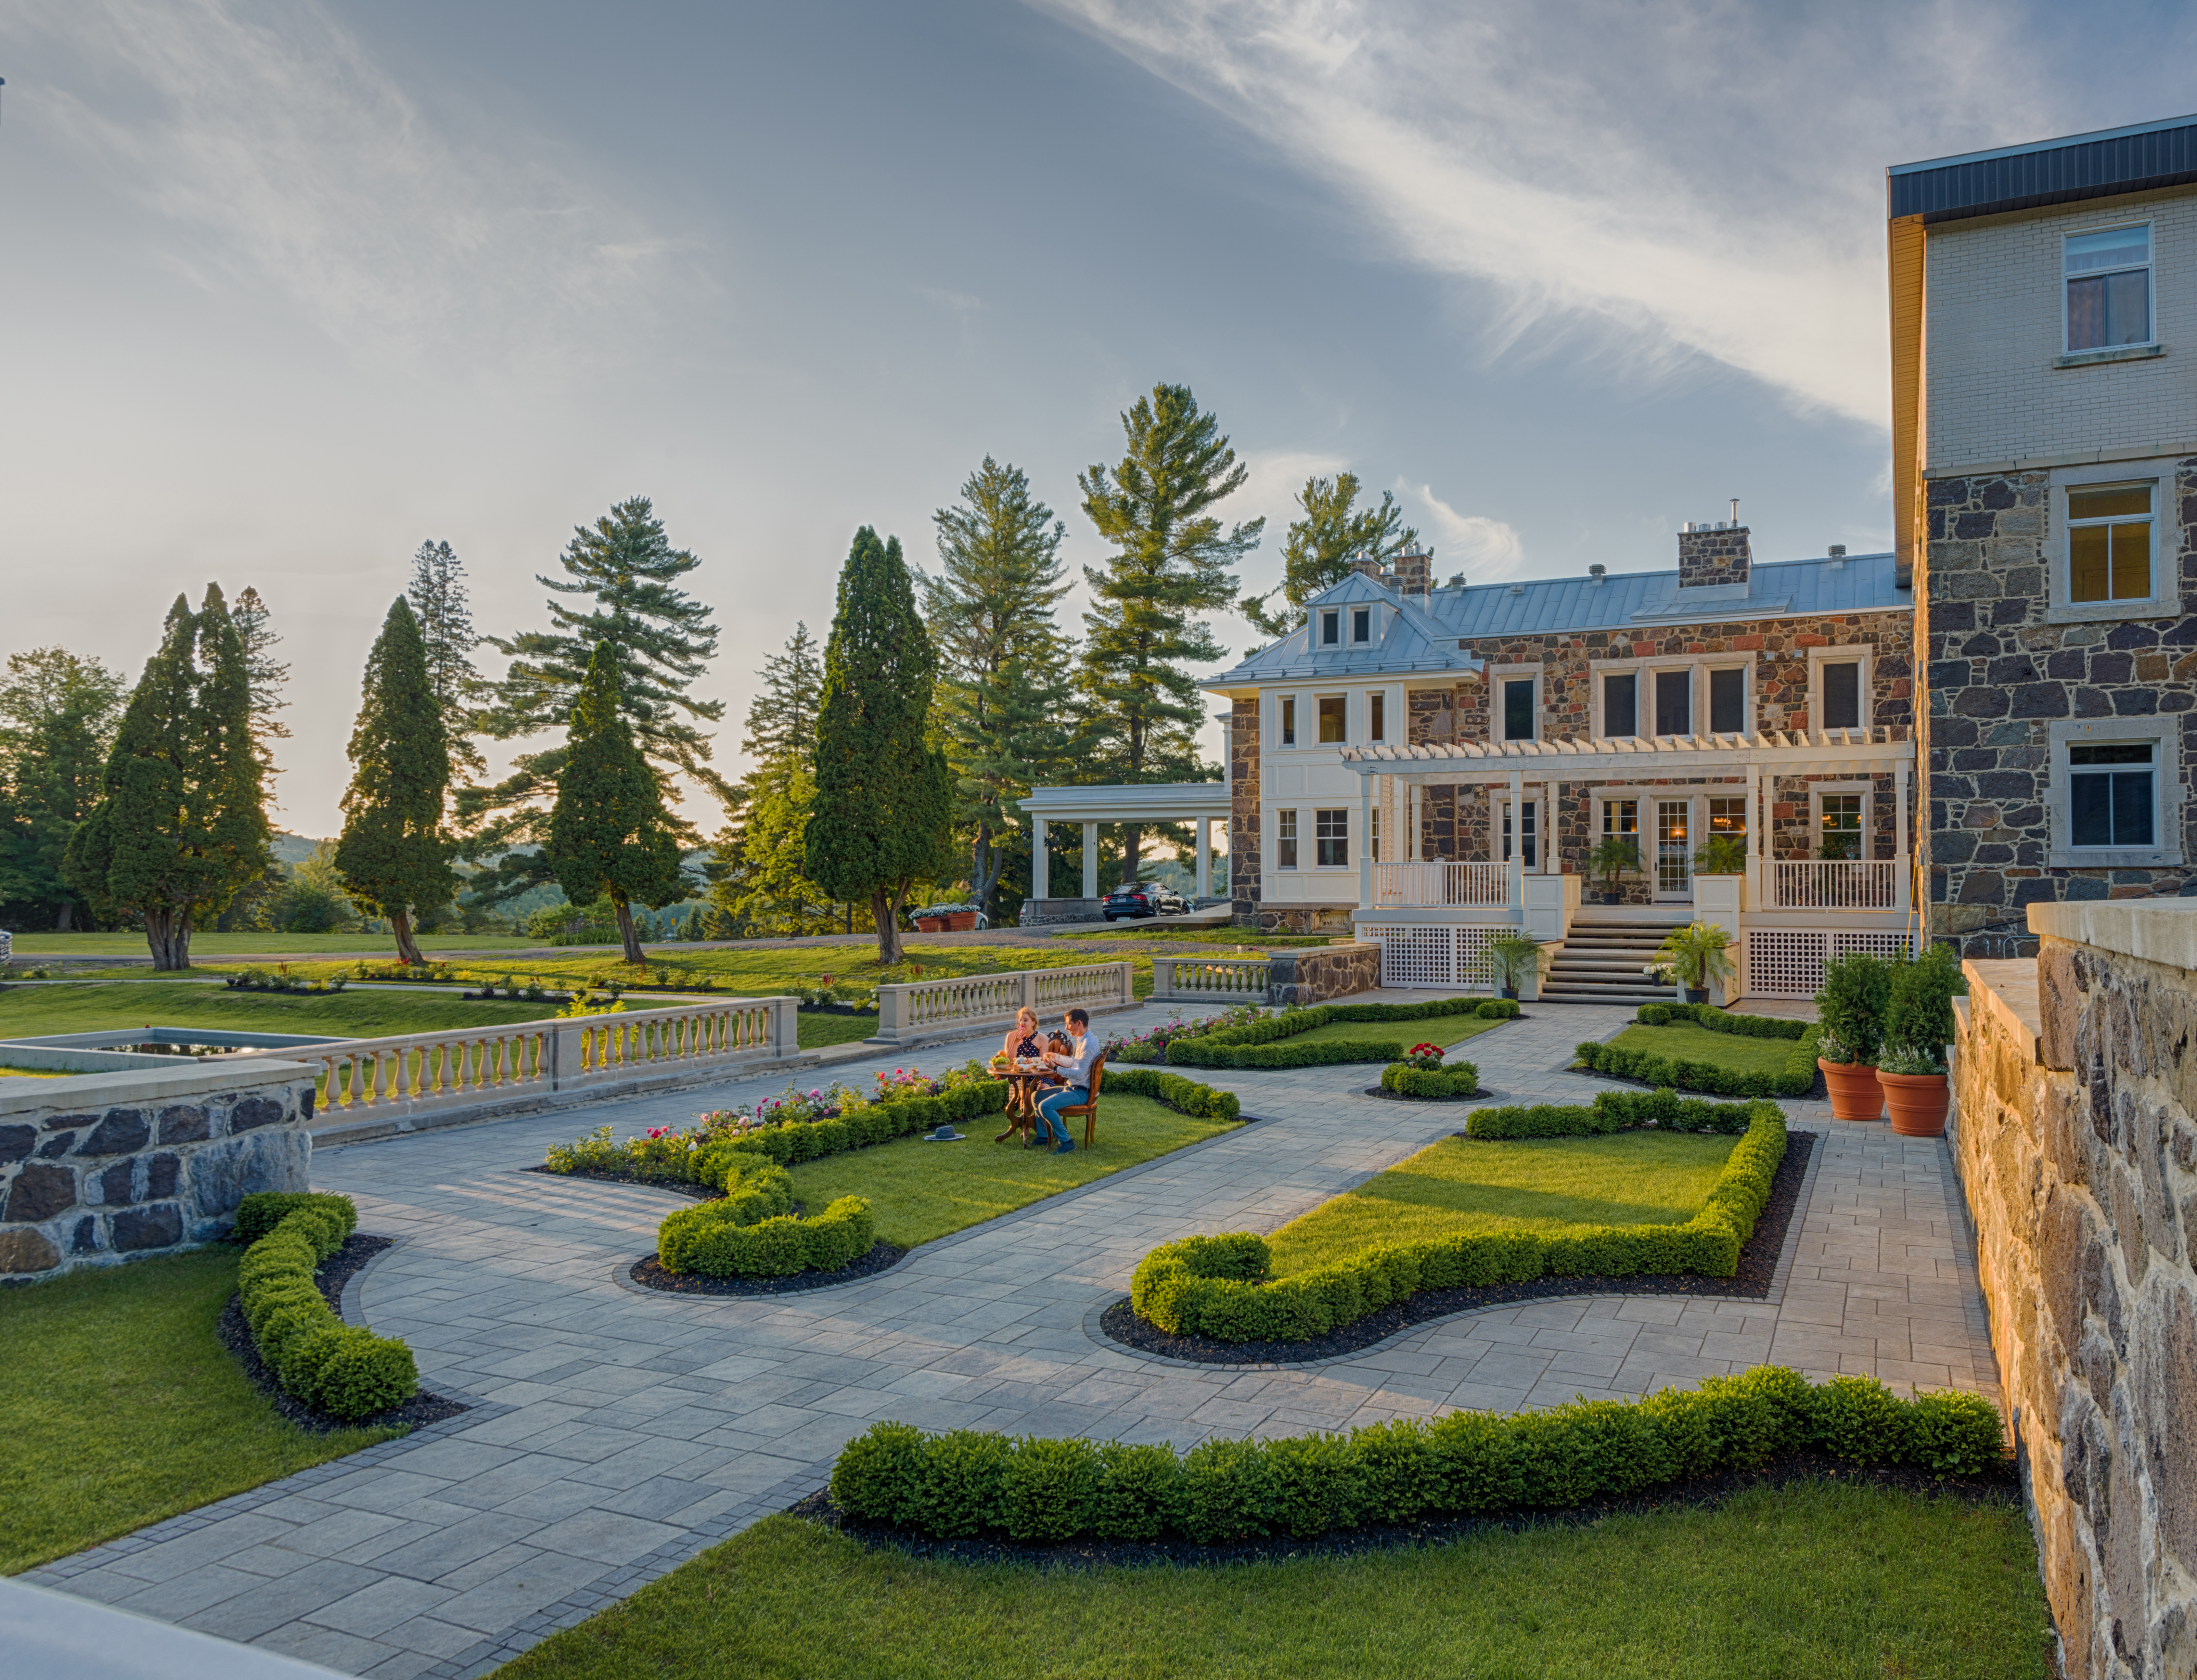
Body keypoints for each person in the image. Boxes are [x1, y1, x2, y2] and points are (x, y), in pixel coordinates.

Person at [1035, 1008, 1097, 1154]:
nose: (1066, 1027)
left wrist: (1056, 1068)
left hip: (1081, 1093)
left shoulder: (1088, 1044)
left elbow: (1080, 1074)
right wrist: (1056, 1057)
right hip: (1075, 1089)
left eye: (1069, 1024)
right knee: (1037, 1097)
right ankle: (1044, 1136)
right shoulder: (1084, 1039)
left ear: (1079, 1023)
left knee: (1045, 1107)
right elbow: (1076, 1063)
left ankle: (1066, 1142)